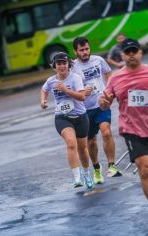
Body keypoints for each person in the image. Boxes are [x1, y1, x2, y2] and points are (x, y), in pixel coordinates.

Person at [99, 38, 148, 230]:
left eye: (135, 50)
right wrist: (104, 101)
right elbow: (104, 102)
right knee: (144, 169)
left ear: (140, 53)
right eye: (128, 52)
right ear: (122, 55)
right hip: (132, 129)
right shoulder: (116, 78)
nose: (132, 54)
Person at [72, 36, 122, 185]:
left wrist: (109, 88)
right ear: (76, 51)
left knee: (106, 132)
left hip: (101, 104)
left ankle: (112, 166)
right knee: (91, 141)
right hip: (84, 109)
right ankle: (96, 169)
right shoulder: (72, 67)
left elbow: (108, 73)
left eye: (87, 49)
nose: (85, 52)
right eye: (81, 50)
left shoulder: (98, 60)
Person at [40, 52, 94, 189]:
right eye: (59, 64)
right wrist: (43, 101)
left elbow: (82, 97)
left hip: (80, 116)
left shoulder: (75, 78)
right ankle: (77, 178)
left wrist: (65, 90)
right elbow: (44, 89)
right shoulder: (51, 80)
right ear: (54, 66)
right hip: (62, 117)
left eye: (64, 63)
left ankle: (87, 172)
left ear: (69, 64)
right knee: (71, 143)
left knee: (82, 148)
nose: (62, 66)